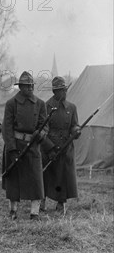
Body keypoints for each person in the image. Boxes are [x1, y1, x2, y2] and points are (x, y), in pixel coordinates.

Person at [2, 71, 48, 221]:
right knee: (14, 179)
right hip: (16, 145)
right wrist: (12, 148)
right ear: (20, 87)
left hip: (33, 146)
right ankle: (13, 210)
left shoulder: (40, 104)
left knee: (36, 179)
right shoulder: (11, 104)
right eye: (27, 86)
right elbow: (7, 128)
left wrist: (40, 135)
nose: (30, 88)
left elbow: (44, 126)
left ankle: (34, 212)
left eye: (32, 85)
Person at [40, 76, 80, 213]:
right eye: (62, 90)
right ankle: (41, 202)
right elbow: (42, 131)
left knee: (63, 176)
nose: (65, 92)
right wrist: (50, 148)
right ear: (55, 91)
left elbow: (74, 125)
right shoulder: (46, 107)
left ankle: (61, 203)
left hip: (65, 148)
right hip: (49, 147)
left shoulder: (72, 107)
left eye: (65, 89)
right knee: (46, 175)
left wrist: (76, 131)